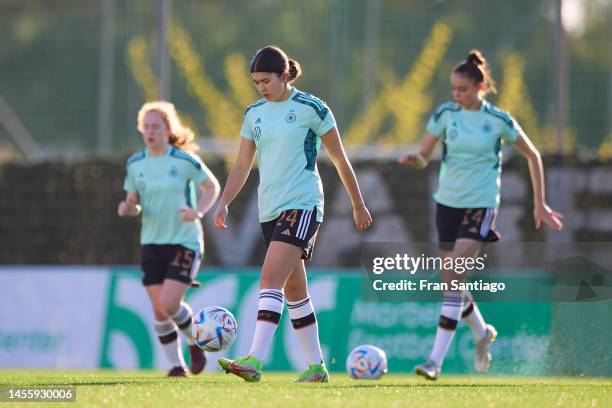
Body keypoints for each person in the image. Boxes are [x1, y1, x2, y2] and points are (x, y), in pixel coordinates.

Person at [399, 50, 564, 381]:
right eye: (453, 89)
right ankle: (482, 332)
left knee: (455, 279)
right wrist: (414, 160)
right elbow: (425, 155)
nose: (456, 95)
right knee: (451, 283)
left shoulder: (499, 120)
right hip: (447, 203)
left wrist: (540, 203)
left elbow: (533, 156)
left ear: (480, 86)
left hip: (482, 204)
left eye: (462, 89)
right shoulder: (446, 114)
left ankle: (434, 361)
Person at [213, 45, 372, 383]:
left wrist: (358, 203)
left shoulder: (312, 108)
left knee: (270, 279)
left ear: (284, 76)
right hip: (268, 209)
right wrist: (225, 201)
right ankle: (317, 368)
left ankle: (255, 360)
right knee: (295, 291)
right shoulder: (253, 113)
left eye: (266, 80)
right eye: (256, 82)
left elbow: (340, 159)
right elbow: (242, 163)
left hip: (302, 204)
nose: (261, 88)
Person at [118, 101, 220, 377]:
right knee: (160, 311)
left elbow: (211, 187)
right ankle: (177, 366)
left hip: (184, 241)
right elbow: (133, 202)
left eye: (156, 126)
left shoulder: (183, 160)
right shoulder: (135, 164)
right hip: (151, 243)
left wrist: (198, 211)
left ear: (167, 129)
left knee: (168, 303)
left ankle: (194, 341)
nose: (150, 132)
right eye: (146, 127)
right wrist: (129, 208)